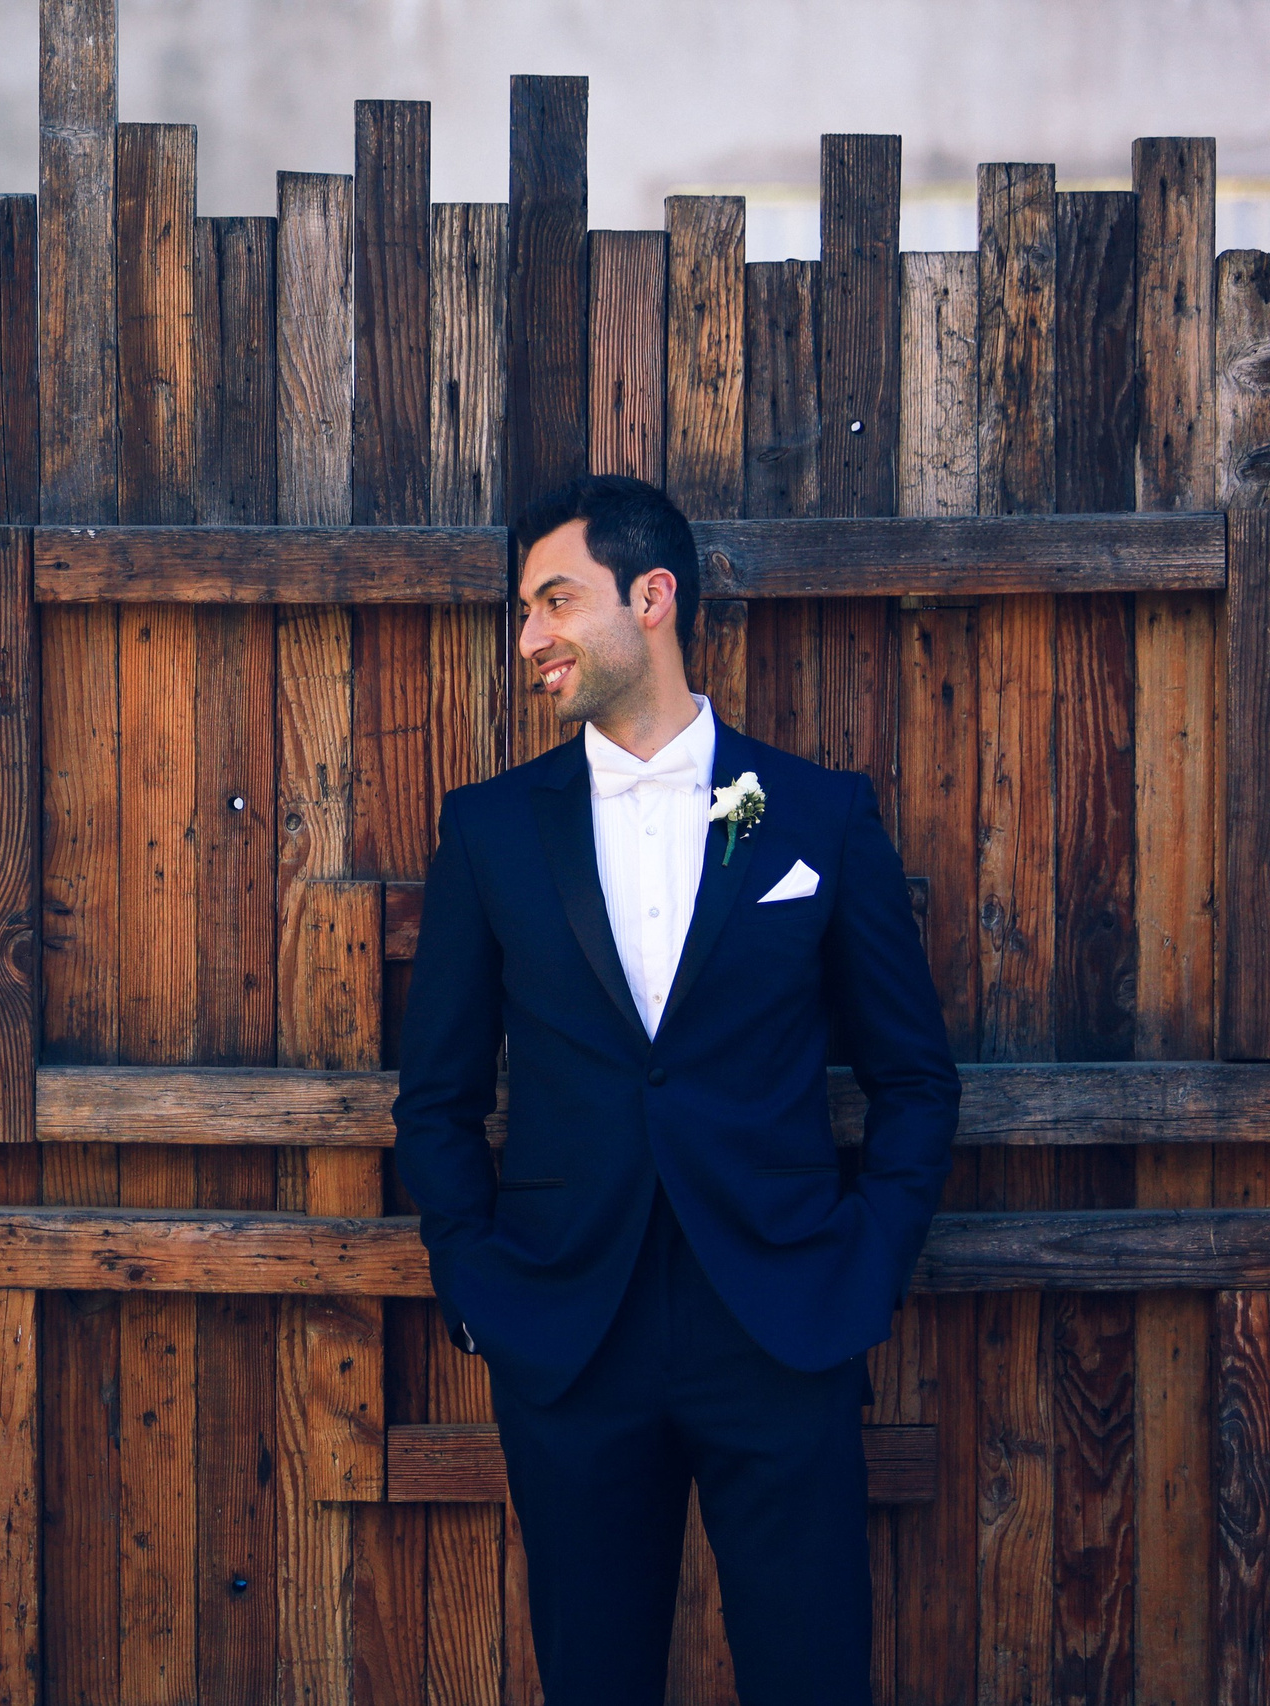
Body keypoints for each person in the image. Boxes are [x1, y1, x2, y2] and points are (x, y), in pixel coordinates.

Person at [392, 476, 960, 1706]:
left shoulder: (815, 814)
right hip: (567, 1331)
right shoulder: (489, 832)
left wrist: (861, 1266)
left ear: (652, 598)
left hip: (781, 1322)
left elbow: (913, 1077)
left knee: (810, 1675)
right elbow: (433, 1097)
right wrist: (478, 1277)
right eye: (523, 606)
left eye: (555, 599)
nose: (528, 634)